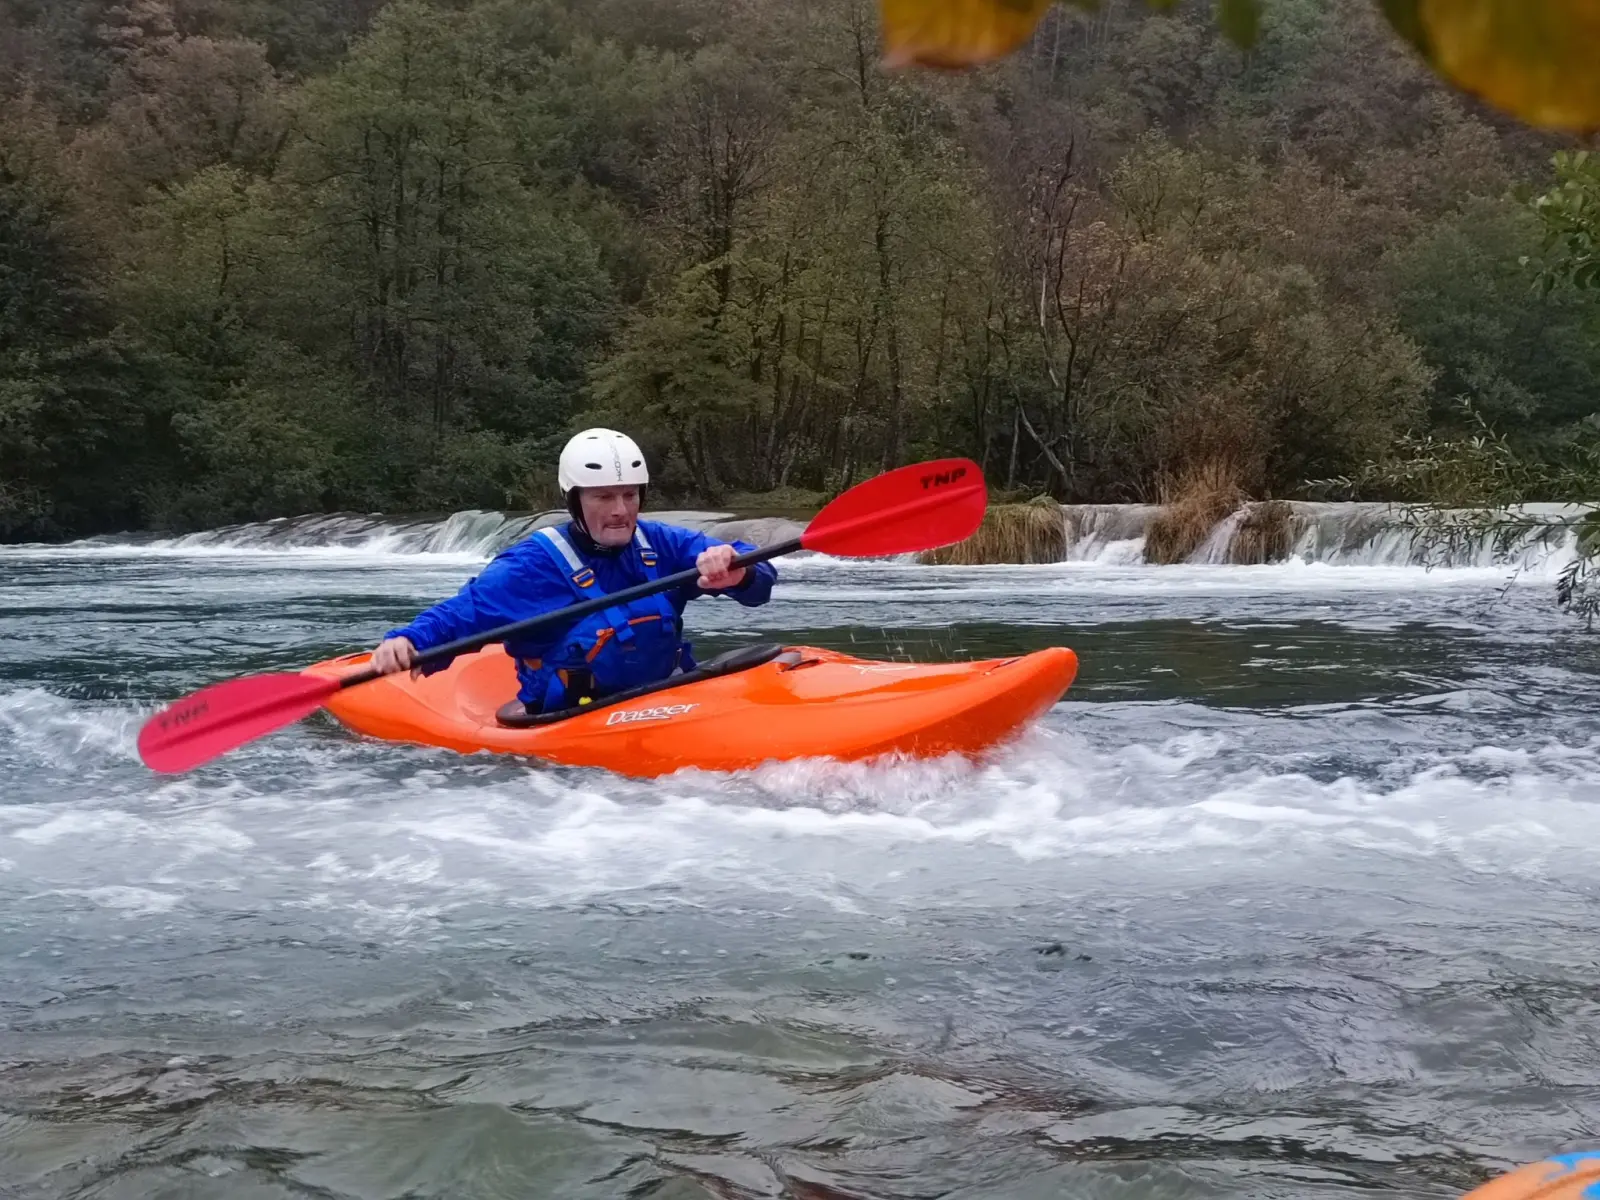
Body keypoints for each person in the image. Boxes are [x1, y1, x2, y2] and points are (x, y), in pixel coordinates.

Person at [369, 428, 777, 715]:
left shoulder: (660, 543)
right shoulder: (532, 566)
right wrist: (406, 639)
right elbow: (463, 615)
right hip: (574, 720)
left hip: (664, 698)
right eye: (603, 497)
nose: (620, 510)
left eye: (629, 495)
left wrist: (737, 571)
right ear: (575, 501)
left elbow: (757, 576)